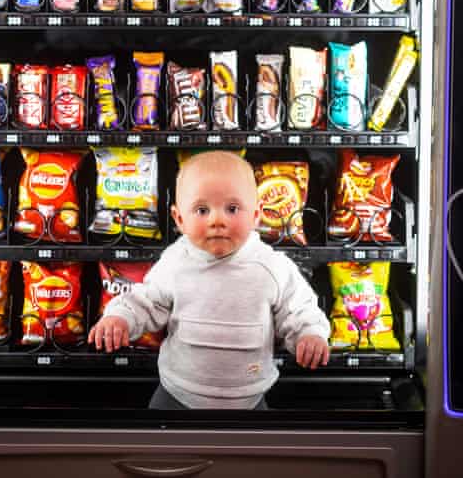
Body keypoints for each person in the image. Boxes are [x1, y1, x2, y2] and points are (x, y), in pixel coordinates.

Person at [88, 150, 330, 410]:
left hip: (249, 401)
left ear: (256, 214)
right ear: (179, 219)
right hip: (175, 395)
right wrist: (119, 318)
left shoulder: (272, 266)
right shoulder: (175, 262)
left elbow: (300, 309)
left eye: (232, 209)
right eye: (202, 210)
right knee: (158, 451)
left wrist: (310, 335)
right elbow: (145, 300)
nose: (217, 221)